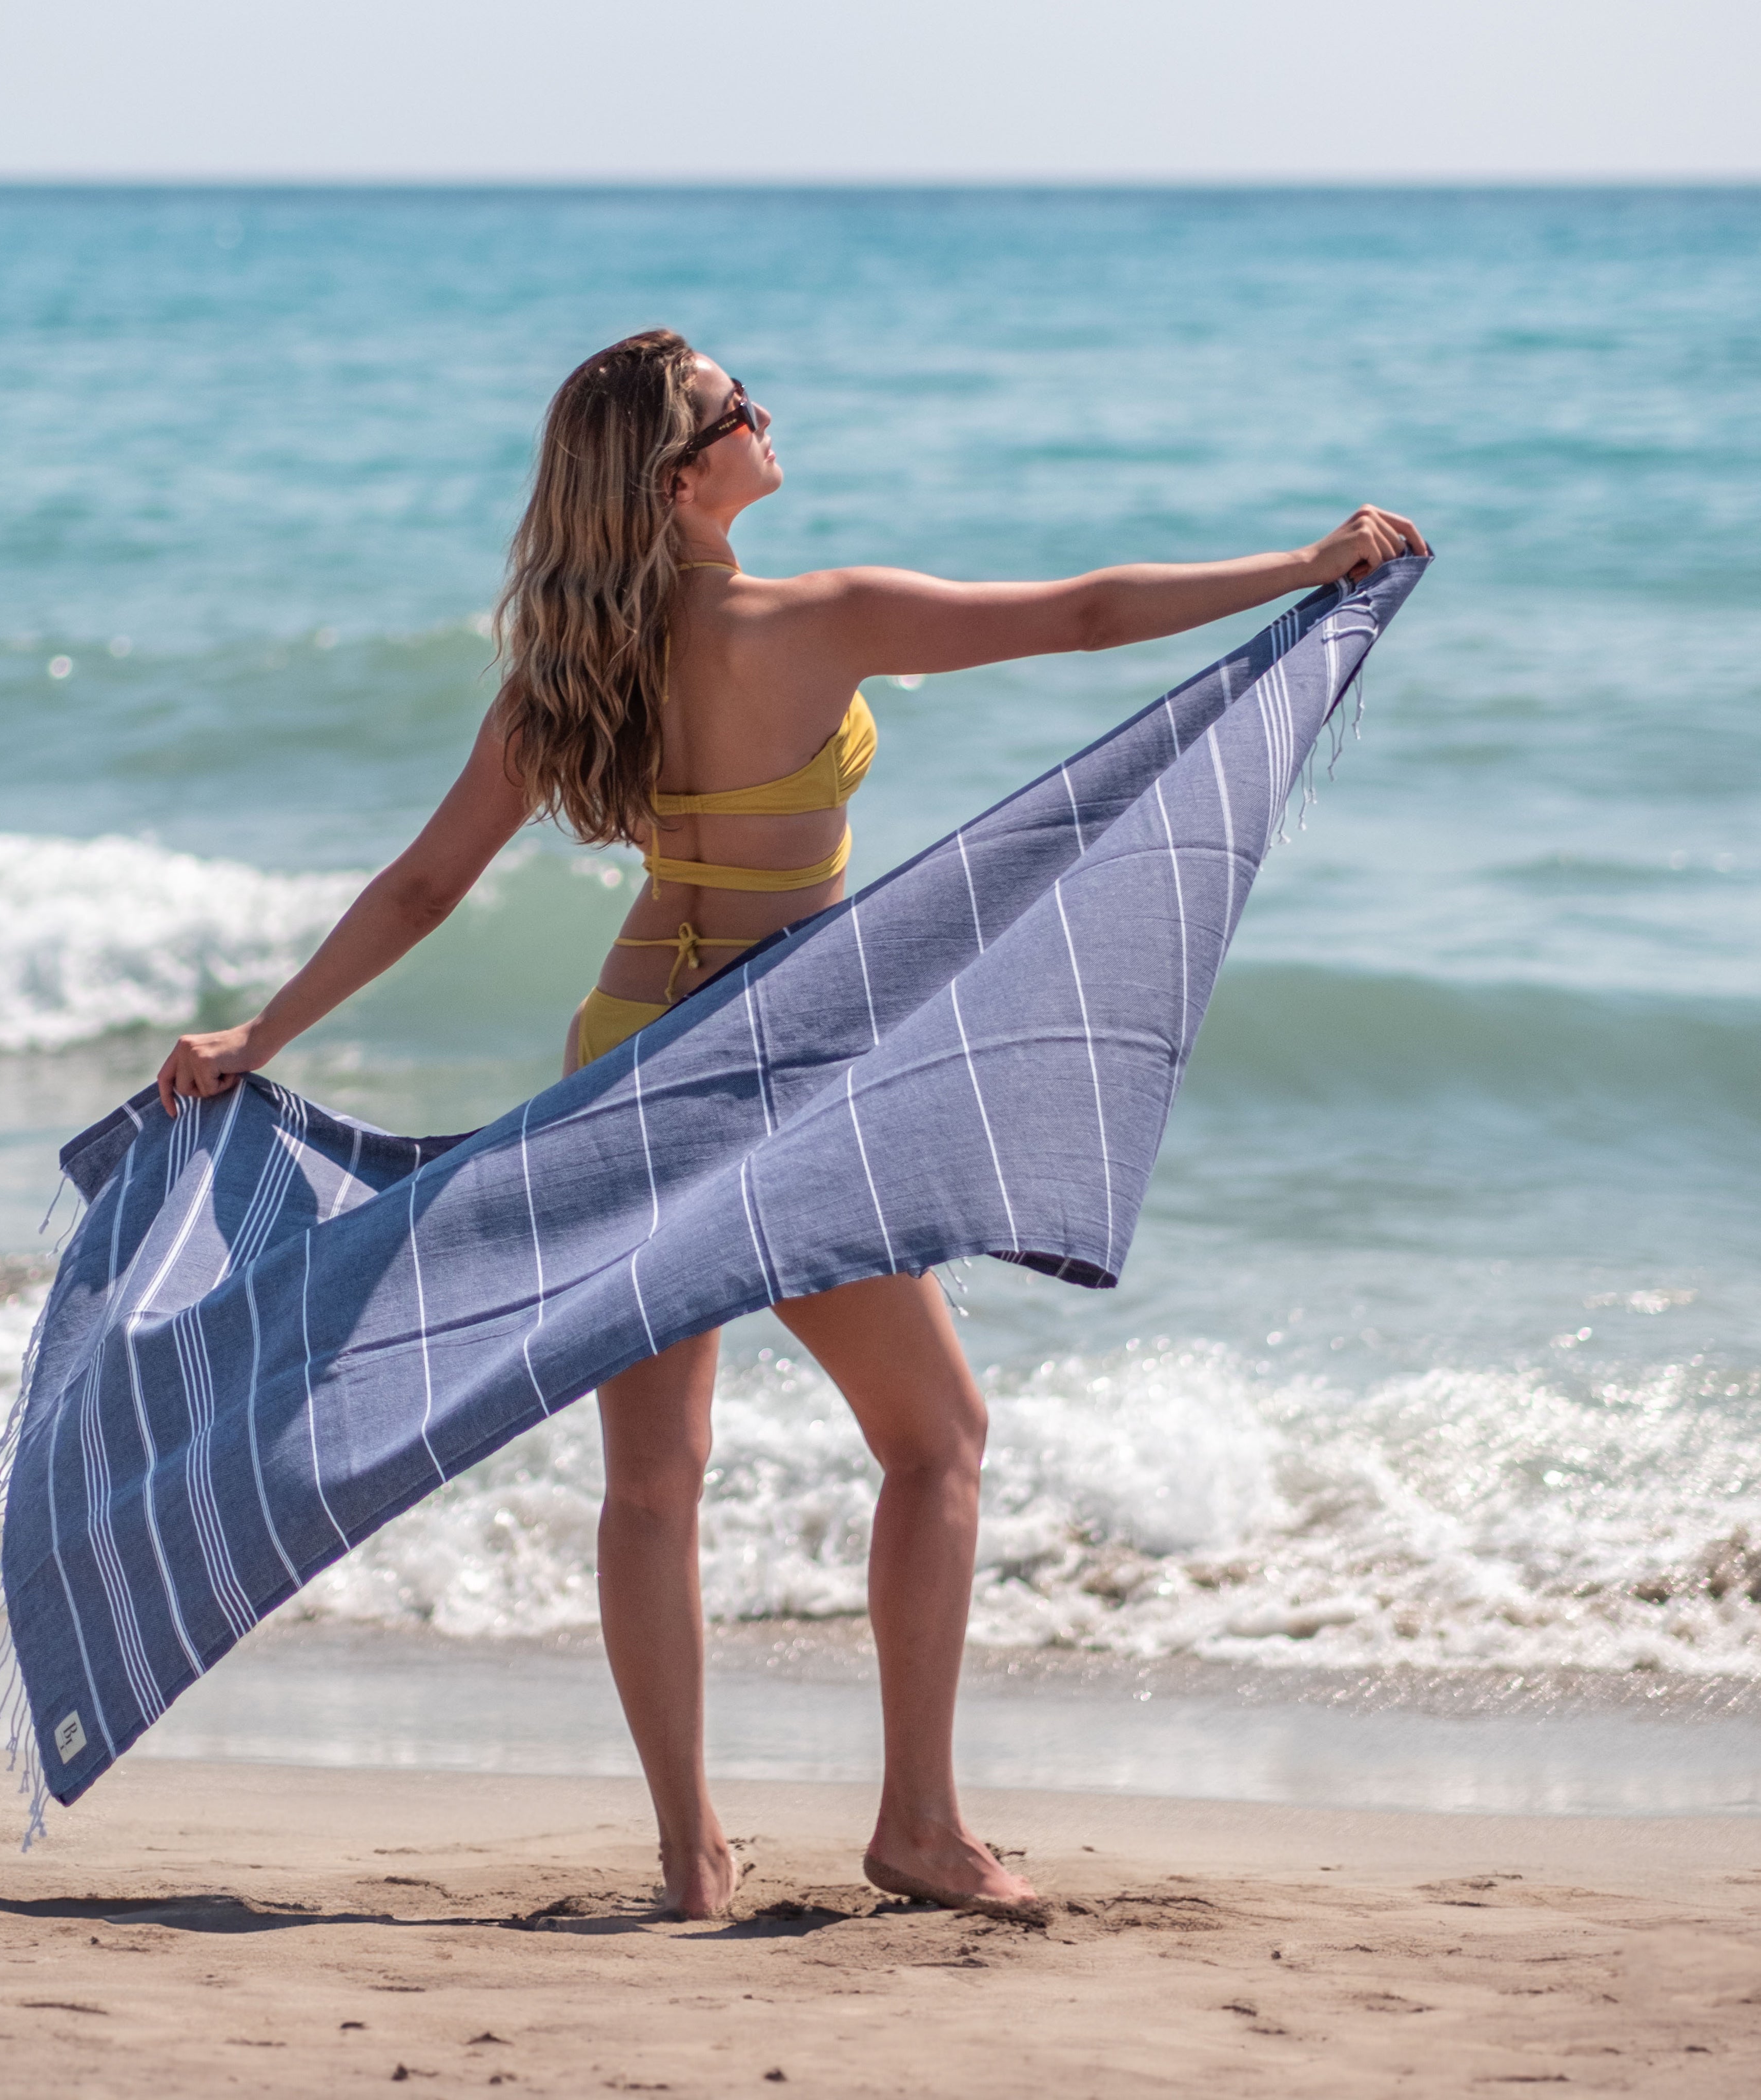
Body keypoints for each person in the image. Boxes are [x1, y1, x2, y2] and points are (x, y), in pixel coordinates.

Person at [155, 328, 1426, 1922]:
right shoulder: (817, 618)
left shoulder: (570, 667)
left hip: (621, 1057)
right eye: (735, 406)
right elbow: (1089, 616)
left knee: (650, 1480)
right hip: (775, 1070)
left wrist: (258, 1030)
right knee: (936, 1439)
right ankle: (918, 1824)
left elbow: (424, 883)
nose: (767, 415)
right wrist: (1305, 568)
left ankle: (690, 1855)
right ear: (683, 476)